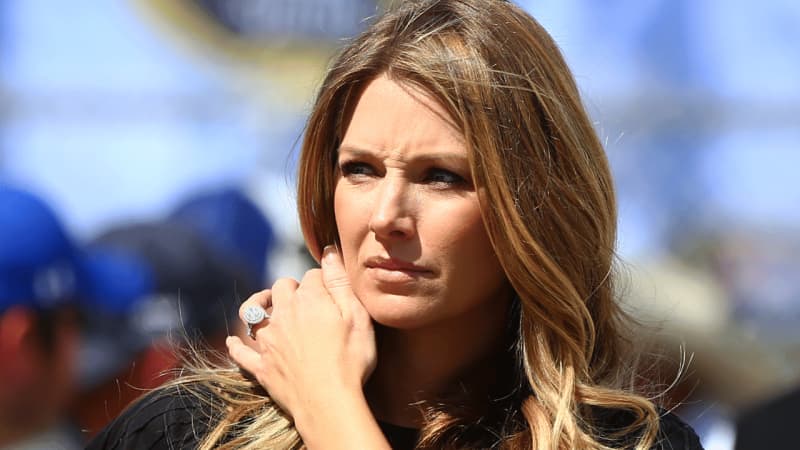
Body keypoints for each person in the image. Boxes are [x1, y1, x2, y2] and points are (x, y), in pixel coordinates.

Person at [88, 1, 703, 448]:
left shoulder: (636, 444)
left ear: (536, 205)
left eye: (442, 176)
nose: (386, 217)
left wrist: (328, 403)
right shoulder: (186, 433)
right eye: (360, 170)